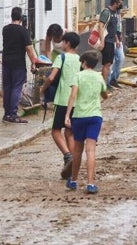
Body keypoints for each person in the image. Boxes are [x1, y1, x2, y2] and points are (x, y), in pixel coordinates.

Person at [64, 51, 108, 194]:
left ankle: (74, 181)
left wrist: (67, 115)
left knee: (77, 150)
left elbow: (73, 96)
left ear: (83, 63)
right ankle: (90, 184)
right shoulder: (99, 76)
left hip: (79, 116)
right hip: (94, 117)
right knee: (91, 150)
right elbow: (105, 95)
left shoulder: (78, 76)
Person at [39, 32, 82, 179]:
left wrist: (42, 89)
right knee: (69, 132)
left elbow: (51, 77)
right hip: (75, 101)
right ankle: (72, 166)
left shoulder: (61, 57)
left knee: (56, 131)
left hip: (63, 100)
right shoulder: (80, 59)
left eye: (63, 42)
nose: (61, 44)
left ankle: (68, 156)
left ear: (68, 43)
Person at [2, 6, 41, 124]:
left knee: (7, 88)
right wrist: (34, 62)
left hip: (6, 63)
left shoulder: (5, 29)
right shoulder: (23, 31)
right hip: (18, 64)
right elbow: (29, 49)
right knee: (16, 88)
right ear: (21, 17)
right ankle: (13, 115)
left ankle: (7, 114)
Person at [98, 0, 123, 87]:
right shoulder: (106, 12)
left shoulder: (115, 13)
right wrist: (102, 41)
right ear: (115, 3)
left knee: (108, 64)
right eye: (120, 3)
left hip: (112, 41)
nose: (121, 5)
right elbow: (101, 26)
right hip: (107, 41)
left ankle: (105, 84)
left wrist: (116, 39)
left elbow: (113, 28)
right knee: (106, 64)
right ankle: (103, 85)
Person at [108, 5, 126, 90]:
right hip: (112, 40)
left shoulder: (118, 12)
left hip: (118, 39)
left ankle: (113, 79)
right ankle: (107, 82)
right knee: (110, 62)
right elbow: (112, 28)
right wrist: (116, 39)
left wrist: (120, 34)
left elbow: (119, 25)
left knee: (120, 58)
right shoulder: (110, 13)